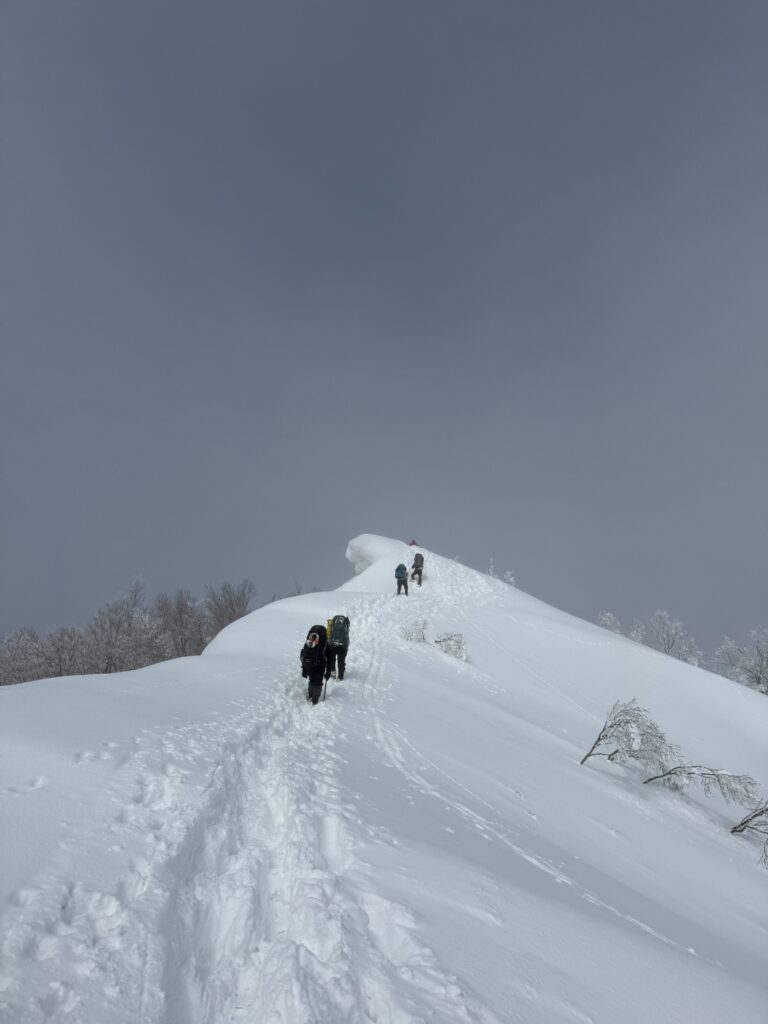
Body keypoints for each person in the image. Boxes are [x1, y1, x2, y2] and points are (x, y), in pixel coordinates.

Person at [300, 625, 327, 704]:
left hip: (309, 666)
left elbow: (302, 654)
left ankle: (310, 695)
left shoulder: (307, 644)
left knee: (312, 680)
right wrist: (328, 671)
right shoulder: (323, 644)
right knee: (317, 682)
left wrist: (304, 667)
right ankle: (315, 698)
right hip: (319, 666)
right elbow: (328, 657)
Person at [325, 614, 350, 681]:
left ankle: (333, 672)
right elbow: (347, 636)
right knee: (341, 661)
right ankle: (340, 676)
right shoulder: (346, 624)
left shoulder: (332, 624)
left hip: (333, 645)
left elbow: (329, 634)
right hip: (343, 646)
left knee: (332, 659)